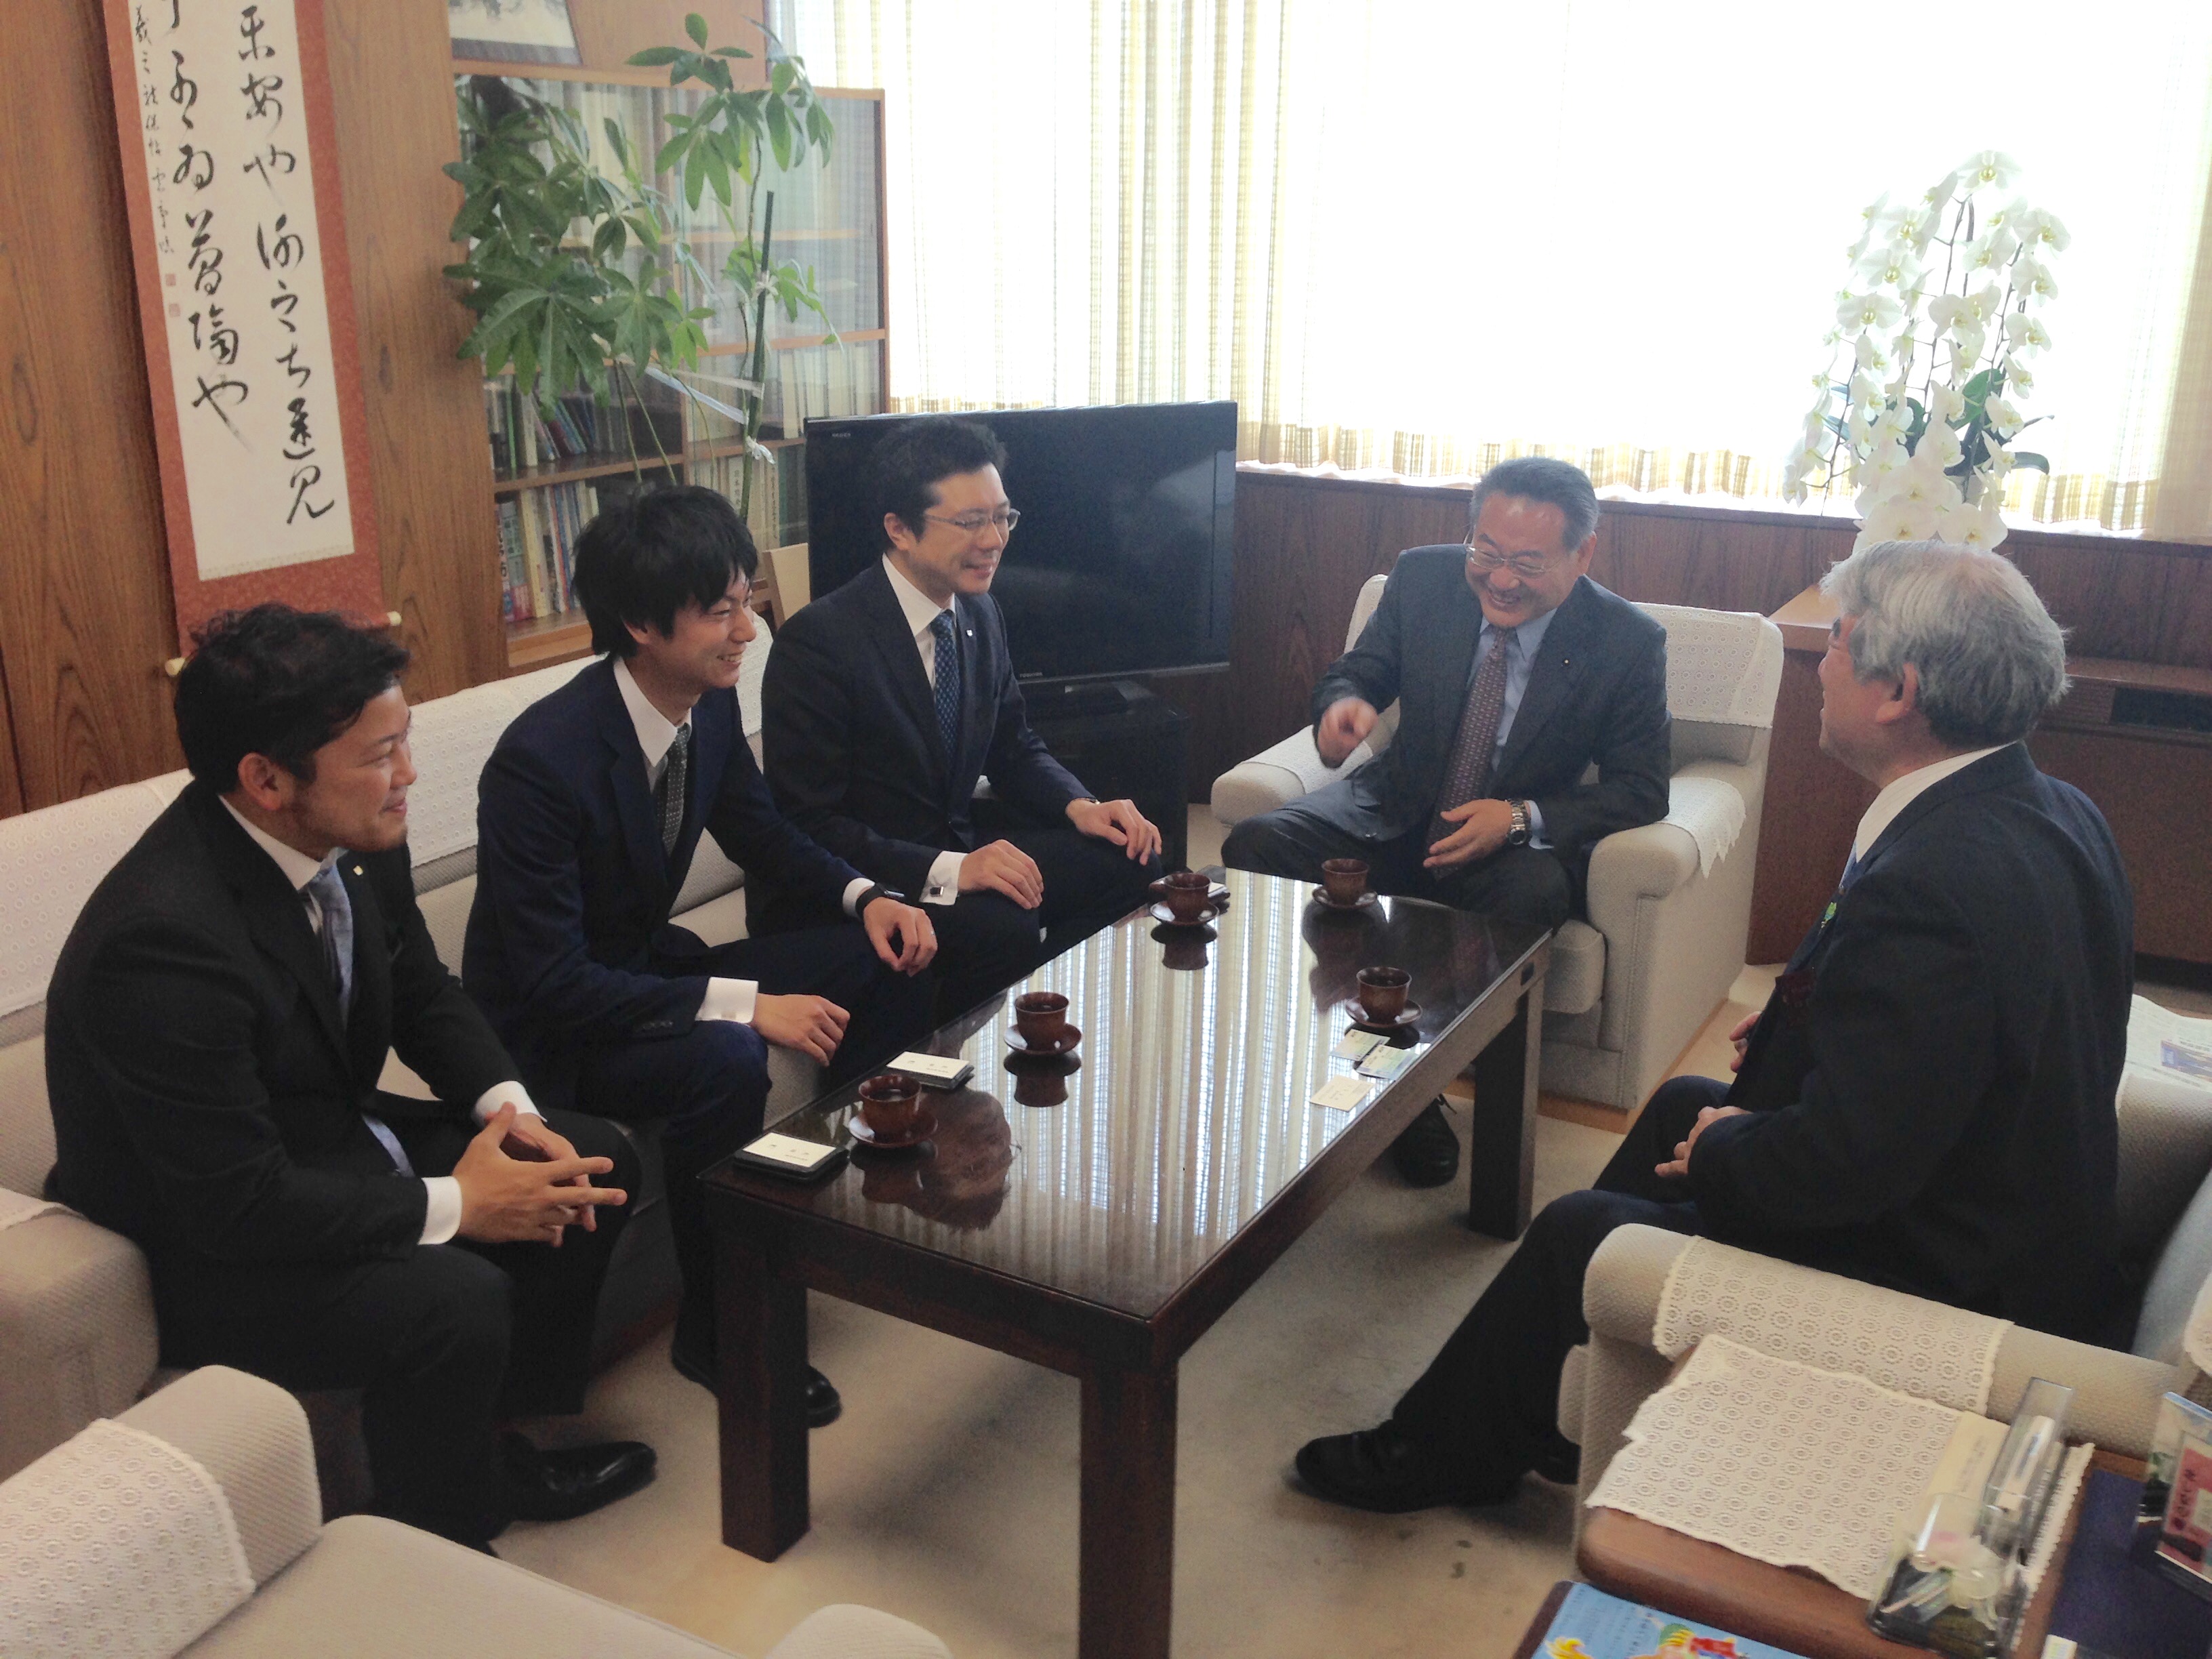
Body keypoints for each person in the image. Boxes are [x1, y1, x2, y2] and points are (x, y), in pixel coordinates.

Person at [1291, 539, 2134, 1513]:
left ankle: (1439, 1455)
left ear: (1898, 692)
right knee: (1679, 1108)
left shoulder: (1934, 887)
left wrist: (1731, 1150)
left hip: (1947, 1271)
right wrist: (1805, 1016)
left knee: (1582, 1229)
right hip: (2003, 1199)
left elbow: (1844, 1171)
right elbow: (1967, 1030)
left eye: (1838, 641)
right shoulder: (2051, 809)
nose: (1819, 666)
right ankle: (1538, 1399)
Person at [45, 605, 651, 1551]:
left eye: (404, 741)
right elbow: (238, 1206)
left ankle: (495, 1447)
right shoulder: (160, 941)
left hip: (325, 1144)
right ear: (266, 779)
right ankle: (437, 1540)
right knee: (453, 1302)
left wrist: (513, 1113)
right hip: (211, 1247)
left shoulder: (356, 835)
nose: (408, 775)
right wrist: (462, 1203)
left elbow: (421, 991)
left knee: (588, 1161)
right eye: (380, 755)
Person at [463, 486, 939, 1425]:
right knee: (724, 1056)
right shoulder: (541, 761)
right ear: (641, 625)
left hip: (647, 972)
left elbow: (764, 834)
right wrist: (744, 1005)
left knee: (877, 956)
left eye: (745, 600)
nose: (748, 631)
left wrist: (869, 896)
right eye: (721, 612)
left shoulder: (707, 708)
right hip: (560, 1022)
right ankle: (719, 1331)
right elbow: (555, 980)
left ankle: (846, 1226)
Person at [1223, 456, 1671, 1185]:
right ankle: (1318, 1055)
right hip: (1395, 810)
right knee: (1258, 843)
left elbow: (1642, 789)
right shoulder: (1423, 578)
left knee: (1533, 895)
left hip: (1504, 849)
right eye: (1486, 552)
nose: (1500, 579)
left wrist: (1519, 817)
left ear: (1583, 553)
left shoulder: (1625, 642)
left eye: (1526, 563)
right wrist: (1343, 706)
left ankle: (1416, 1089)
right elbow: (1360, 671)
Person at [758, 415, 1164, 1017]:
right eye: (971, 522)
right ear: (899, 529)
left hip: (956, 850)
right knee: (1006, 925)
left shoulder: (980, 613)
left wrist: (1081, 806)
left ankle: (1053, 1014)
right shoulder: (820, 643)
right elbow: (810, 824)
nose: (994, 540)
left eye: (1003, 517)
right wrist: (953, 869)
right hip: (867, 882)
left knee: (1132, 859)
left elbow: (1013, 746)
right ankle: (964, 1051)